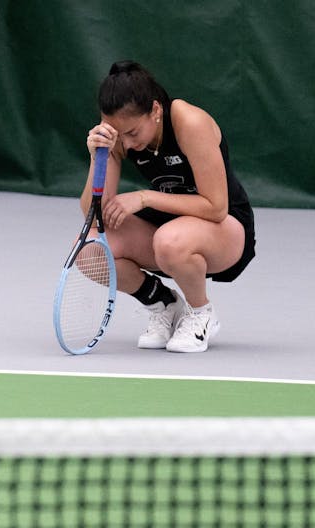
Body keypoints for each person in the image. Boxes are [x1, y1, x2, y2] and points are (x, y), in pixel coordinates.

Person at [82, 60, 255, 353]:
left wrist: (144, 197)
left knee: (170, 240)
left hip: (225, 229)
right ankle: (163, 304)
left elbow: (216, 207)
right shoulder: (117, 138)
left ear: (156, 111)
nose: (126, 142)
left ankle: (201, 313)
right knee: (90, 252)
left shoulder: (189, 121)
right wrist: (99, 157)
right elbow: (94, 217)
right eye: (116, 133)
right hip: (169, 225)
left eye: (133, 133)